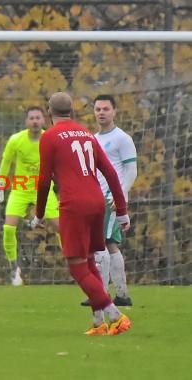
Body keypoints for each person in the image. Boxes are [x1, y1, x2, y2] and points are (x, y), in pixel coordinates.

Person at [33, 92, 131, 336]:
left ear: (48, 112)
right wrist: (121, 211)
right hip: (98, 202)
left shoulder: (49, 137)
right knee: (89, 261)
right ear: (72, 112)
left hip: (74, 205)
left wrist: (39, 213)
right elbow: (110, 172)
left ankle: (115, 315)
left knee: (76, 266)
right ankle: (98, 323)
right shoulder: (87, 133)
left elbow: (44, 180)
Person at [0, 107, 60, 286]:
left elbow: (61, 165)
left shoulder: (50, 139)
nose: (35, 121)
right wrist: (0, 188)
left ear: (44, 120)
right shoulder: (16, 140)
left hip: (43, 189)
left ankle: (77, 264)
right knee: (8, 228)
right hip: (20, 189)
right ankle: (14, 270)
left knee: (61, 227)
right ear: (26, 122)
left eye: (38, 118)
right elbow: (6, 163)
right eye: (32, 118)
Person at [80, 95, 138, 307]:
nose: (101, 113)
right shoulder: (93, 139)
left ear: (114, 111)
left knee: (101, 243)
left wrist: (119, 195)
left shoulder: (122, 138)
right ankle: (122, 295)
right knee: (110, 244)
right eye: (98, 109)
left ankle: (100, 294)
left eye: (106, 109)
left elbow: (131, 170)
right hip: (96, 198)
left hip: (110, 198)